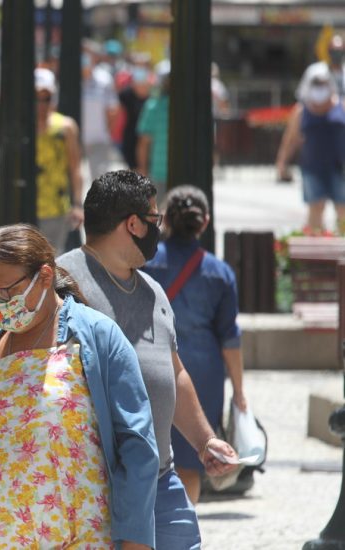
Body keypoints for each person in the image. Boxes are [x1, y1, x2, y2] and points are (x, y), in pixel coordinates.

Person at [0, 224, 159, 550]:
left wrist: (135, 541)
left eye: (7, 291)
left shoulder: (96, 337)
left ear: (44, 277)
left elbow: (137, 447)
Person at [57, 170, 239, 549]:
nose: (159, 229)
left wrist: (206, 441)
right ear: (134, 224)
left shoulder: (153, 290)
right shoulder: (62, 283)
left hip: (161, 478)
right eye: (155, 220)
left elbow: (174, 373)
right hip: (92, 489)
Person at [142, 185, 248, 505]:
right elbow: (230, 337)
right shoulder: (220, 272)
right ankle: (184, 524)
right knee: (191, 460)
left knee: (147, 451)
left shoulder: (145, 263)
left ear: (166, 221)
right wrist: (240, 392)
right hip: (204, 372)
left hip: (153, 362)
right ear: (205, 223)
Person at [276, 64, 345, 234]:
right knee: (315, 211)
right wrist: (282, 163)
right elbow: (290, 140)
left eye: (323, 83)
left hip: (339, 168)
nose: (320, 88)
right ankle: (316, 256)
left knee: (343, 211)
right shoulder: (301, 111)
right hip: (312, 168)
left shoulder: (341, 106)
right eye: (316, 84)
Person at [34, 68, 84, 253]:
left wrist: (78, 204)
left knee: (54, 259)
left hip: (56, 207)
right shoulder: (23, 125)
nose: (41, 104)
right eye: (36, 98)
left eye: (45, 98)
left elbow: (75, 167)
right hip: (28, 206)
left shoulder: (65, 127)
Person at [82, 40, 120, 182]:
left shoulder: (104, 79)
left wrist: (106, 131)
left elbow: (113, 109)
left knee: (99, 182)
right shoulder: (69, 78)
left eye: (88, 53)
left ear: (95, 57)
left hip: (99, 141)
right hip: (75, 142)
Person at [137, 60, 171, 200]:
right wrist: (143, 172)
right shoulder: (152, 106)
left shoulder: (152, 106)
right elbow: (144, 143)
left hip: (162, 173)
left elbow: (143, 143)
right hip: (159, 174)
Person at [118, 56, 153, 171]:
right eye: (137, 67)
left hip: (151, 144)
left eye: (143, 67)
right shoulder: (125, 94)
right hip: (130, 142)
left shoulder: (155, 93)